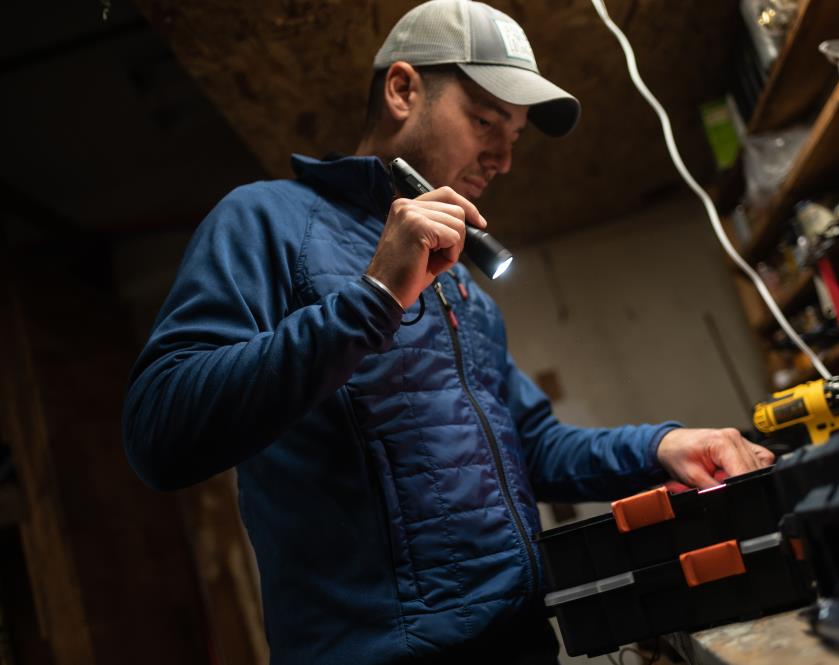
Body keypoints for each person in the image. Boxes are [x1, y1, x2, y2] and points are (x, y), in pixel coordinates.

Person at [123, 1, 774, 662]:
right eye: (486, 120)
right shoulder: (269, 220)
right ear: (402, 91)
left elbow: (533, 447)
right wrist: (374, 297)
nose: (503, 158)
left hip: (524, 645)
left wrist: (661, 444)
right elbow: (159, 433)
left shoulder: (461, 285)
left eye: (514, 134)